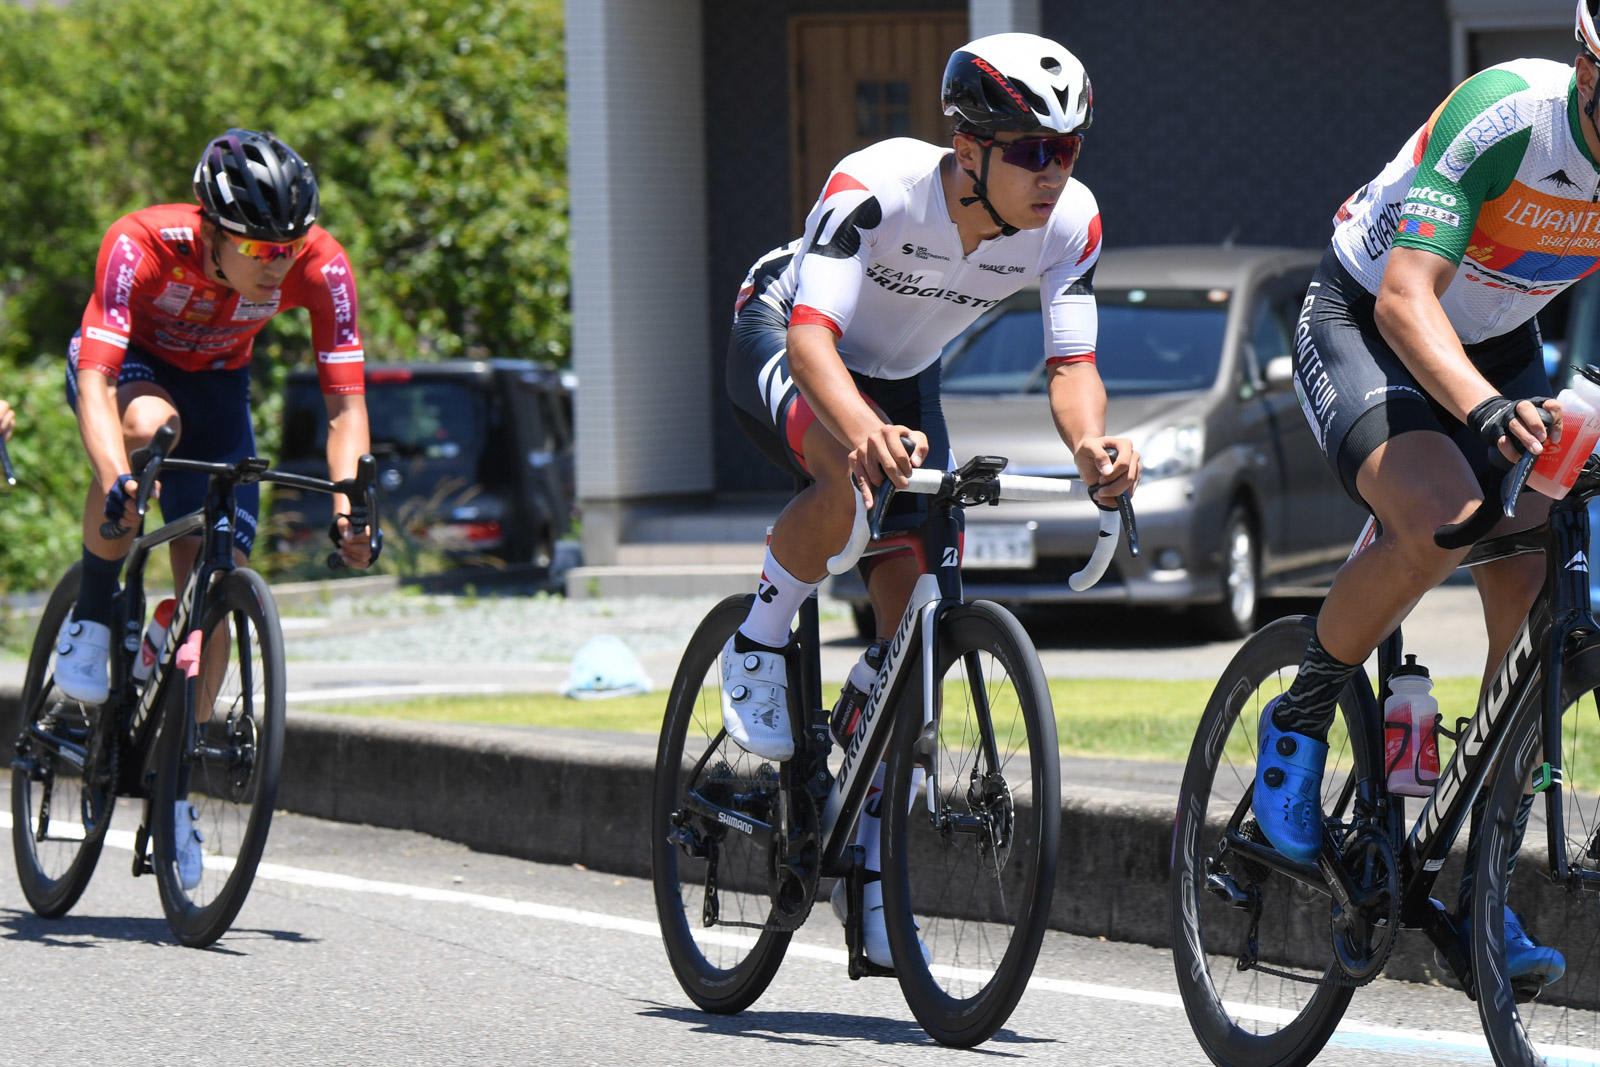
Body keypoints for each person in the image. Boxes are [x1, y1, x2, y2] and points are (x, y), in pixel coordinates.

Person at [722, 33, 1140, 966]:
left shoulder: (1070, 222)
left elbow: (1072, 363)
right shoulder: (875, 185)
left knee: (917, 633)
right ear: (969, 150)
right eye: (1033, 151)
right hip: (788, 336)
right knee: (846, 476)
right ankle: (758, 637)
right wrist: (858, 432)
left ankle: (869, 872)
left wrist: (1089, 446)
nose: (1053, 174)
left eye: (1067, 150)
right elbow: (812, 342)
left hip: (905, 379)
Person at [1259, 4, 1600, 991]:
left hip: (1498, 345)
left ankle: (1476, 864)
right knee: (1441, 517)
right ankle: (1297, 720)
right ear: (1588, 74)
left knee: (1539, 580)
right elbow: (1407, 295)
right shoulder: (1504, 117)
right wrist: (1487, 411)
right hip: (1368, 320)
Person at [55, 129, 375, 731]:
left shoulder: (322, 263)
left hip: (220, 381)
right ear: (211, 234)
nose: (278, 263)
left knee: (216, 581)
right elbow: (98, 381)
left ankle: (175, 786)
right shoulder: (140, 241)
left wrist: (346, 508)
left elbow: (346, 409)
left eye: (290, 245)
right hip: (133, 367)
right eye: (258, 250)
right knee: (154, 425)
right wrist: (116, 479)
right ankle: (94, 607)